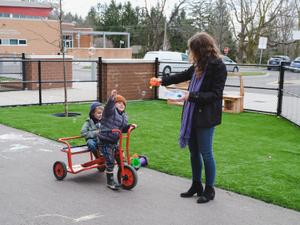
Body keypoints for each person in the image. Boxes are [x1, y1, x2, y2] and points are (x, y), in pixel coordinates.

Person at [151, 32, 227, 203]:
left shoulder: (218, 66)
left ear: (200, 49)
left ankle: (209, 190)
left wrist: (191, 96)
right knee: (194, 153)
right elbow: (183, 75)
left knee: (206, 154)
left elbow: (215, 95)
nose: (190, 52)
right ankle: (196, 185)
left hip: (206, 117)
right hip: (192, 114)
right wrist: (161, 81)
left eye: (192, 49)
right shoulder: (199, 64)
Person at [98, 90, 136, 190]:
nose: (121, 105)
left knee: (121, 159)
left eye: (123, 103)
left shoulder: (124, 116)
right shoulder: (110, 112)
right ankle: (110, 182)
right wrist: (112, 99)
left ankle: (123, 175)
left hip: (115, 142)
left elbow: (122, 129)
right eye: (119, 103)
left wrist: (130, 127)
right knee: (110, 161)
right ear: (115, 104)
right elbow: (108, 107)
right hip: (105, 141)